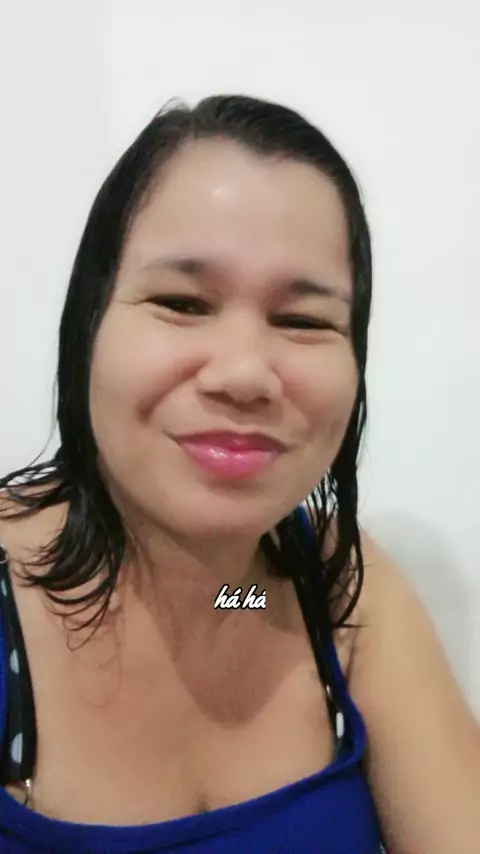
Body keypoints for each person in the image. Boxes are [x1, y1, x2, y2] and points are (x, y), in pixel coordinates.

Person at [0, 94, 477, 854]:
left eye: (303, 320)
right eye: (182, 302)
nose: (246, 374)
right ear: (88, 325)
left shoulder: (327, 588)